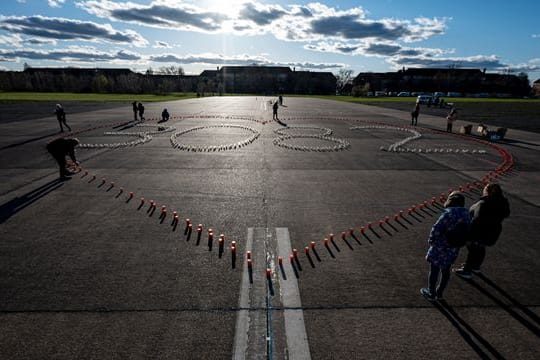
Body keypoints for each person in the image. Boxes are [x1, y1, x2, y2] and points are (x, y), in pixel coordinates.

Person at [421, 191, 471, 301]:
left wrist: (431, 241)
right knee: (446, 270)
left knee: (434, 270)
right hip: (454, 247)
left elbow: (436, 228)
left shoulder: (448, 213)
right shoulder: (467, 214)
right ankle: (440, 293)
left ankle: (431, 292)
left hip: (440, 246)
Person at [454, 183, 510, 279]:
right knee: (481, 248)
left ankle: (467, 270)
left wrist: (469, 235)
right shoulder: (502, 203)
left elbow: (476, 220)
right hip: (493, 232)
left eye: (484, 189)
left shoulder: (483, 203)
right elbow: (506, 214)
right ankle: (476, 266)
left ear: (487, 191)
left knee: (473, 249)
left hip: (479, 232)